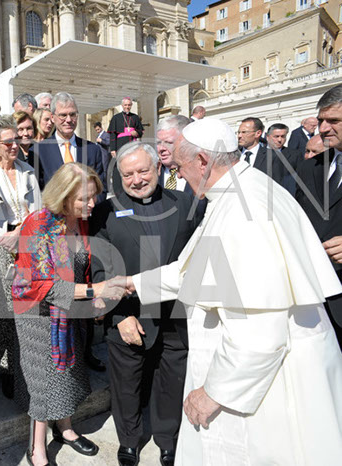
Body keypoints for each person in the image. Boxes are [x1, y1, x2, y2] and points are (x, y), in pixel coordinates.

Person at [115, 118, 342, 465]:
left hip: (267, 386)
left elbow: (259, 331)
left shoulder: (245, 211)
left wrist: (213, 393)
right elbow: (197, 270)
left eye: (180, 166)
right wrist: (132, 283)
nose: (178, 174)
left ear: (202, 161)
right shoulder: (238, 192)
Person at [91, 142, 201, 466]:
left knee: (171, 381)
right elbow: (101, 268)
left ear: (158, 168)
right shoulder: (105, 211)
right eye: (128, 174)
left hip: (176, 314)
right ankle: (129, 439)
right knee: (126, 384)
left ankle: (168, 440)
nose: (137, 180)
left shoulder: (185, 203)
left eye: (143, 171)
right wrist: (119, 315)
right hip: (130, 315)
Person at [11, 163, 123, 466]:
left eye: (93, 196)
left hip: (70, 308)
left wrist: (92, 296)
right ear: (63, 196)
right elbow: (44, 284)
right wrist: (95, 291)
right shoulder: (39, 224)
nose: (92, 204)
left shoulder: (80, 221)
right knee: (44, 380)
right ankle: (36, 448)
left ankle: (66, 429)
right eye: (84, 198)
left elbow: (81, 265)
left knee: (69, 372)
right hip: (37, 313)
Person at [0, 115, 42, 400]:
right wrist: (9, 234)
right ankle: (5, 370)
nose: (15, 145)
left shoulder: (27, 171)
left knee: (28, 308)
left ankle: (27, 364)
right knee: (3, 312)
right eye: (8, 142)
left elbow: (38, 211)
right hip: (0, 249)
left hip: (29, 247)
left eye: (16, 140)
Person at [297, 84, 342, 348]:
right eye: (321, 120)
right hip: (313, 301)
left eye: (333, 121)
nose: (323, 128)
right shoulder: (309, 167)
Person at [35, 92, 106, 197]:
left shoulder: (92, 150)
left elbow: (100, 189)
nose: (68, 120)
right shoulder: (38, 151)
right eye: (63, 115)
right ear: (52, 117)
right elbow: (37, 192)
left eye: (72, 114)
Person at [237, 117, 286, 186]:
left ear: (258, 133)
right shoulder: (232, 156)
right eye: (239, 132)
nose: (239, 136)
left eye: (244, 132)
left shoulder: (273, 157)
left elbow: (277, 185)